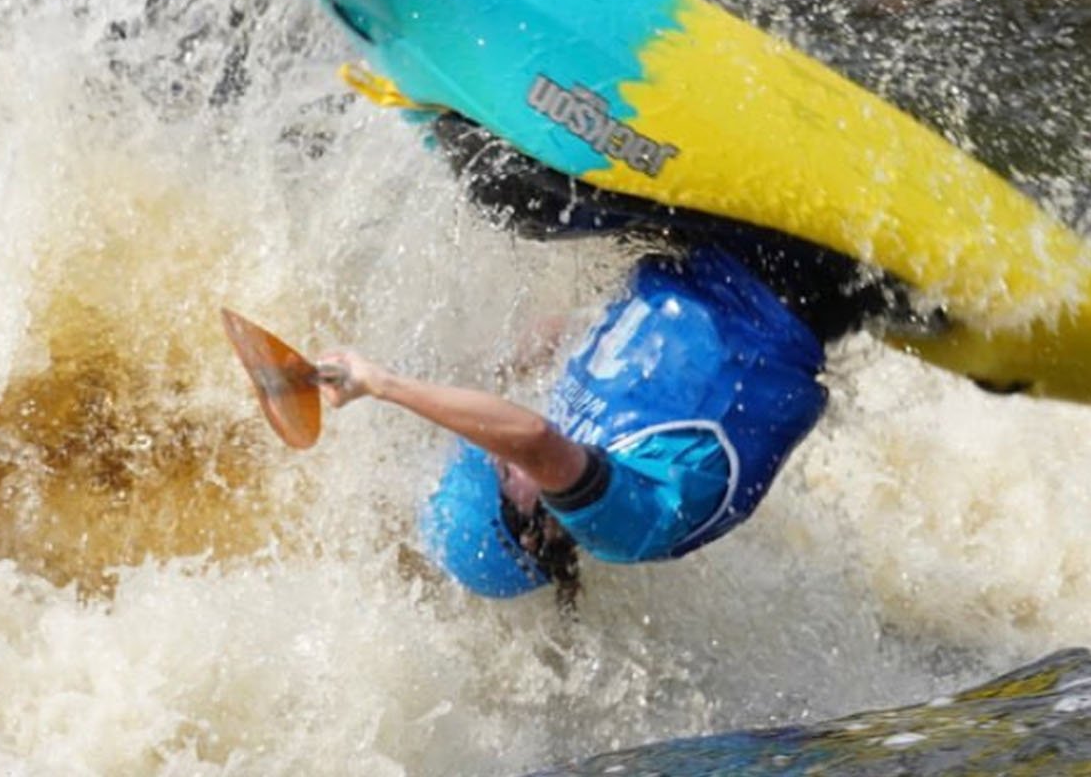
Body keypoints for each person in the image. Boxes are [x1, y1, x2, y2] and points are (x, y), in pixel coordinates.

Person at [320, 232, 903, 607]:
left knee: (517, 197)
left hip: (705, 254)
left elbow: (586, 341)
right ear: (531, 529)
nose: (499, 454)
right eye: (499, 471)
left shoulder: (579, 443)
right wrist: (383, 385)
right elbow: (529, 437)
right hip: (782, 288)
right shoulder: (614, 525)